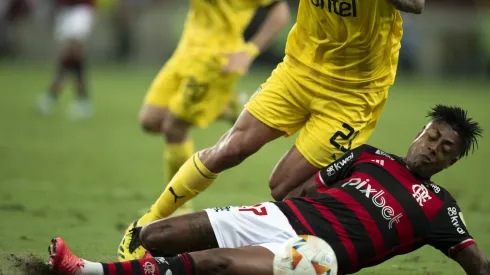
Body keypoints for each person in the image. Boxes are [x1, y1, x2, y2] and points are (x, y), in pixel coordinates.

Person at [118, 0, 426, 261]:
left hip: (353, 94)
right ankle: (144, 228)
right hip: (298, 72)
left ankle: (306, 247)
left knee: (284, 188)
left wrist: (247, 51)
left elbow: (416, 4)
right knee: (229, 149)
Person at [48, 105, 488, 275]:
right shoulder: (367, 156)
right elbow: (300, 191)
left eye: (445, 149)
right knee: (155, 237)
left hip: (318, 255)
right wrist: (266, 223)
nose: (433, 149)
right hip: (288, 219)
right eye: (431, 137)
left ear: (451, 162)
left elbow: (476, 264)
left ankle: (84, 270)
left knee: (212, 263)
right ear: (419, 132)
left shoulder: (439, 210)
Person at [123, 0, 290, 233]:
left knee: (175, 127)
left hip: (217, 62)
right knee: (150, 121)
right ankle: (228, 107)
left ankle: (179, 207)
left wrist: (249, 51)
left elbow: (280, 11)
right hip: (185, 52)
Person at [37, 0, 95, 119]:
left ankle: (53, 97)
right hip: (65, 9)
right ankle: (81, 100)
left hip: (80, 8)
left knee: (74, 54)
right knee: (68, 56)